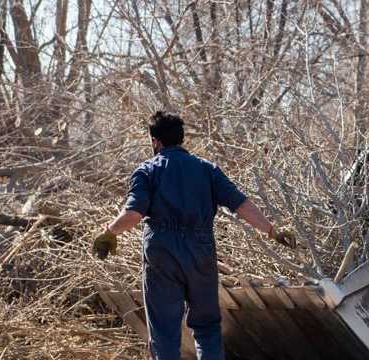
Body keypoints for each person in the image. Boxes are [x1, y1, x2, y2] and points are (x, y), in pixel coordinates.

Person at [92, 111, 296, 360]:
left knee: (164, 331)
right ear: (181, 138)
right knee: (207, 325)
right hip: (201, 249)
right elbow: (241, 205)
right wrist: (272, 230)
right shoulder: (207, 169)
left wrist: (110, 232)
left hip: (162, 252)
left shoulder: (147, 171)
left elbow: (134, 213)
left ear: (155, 141)